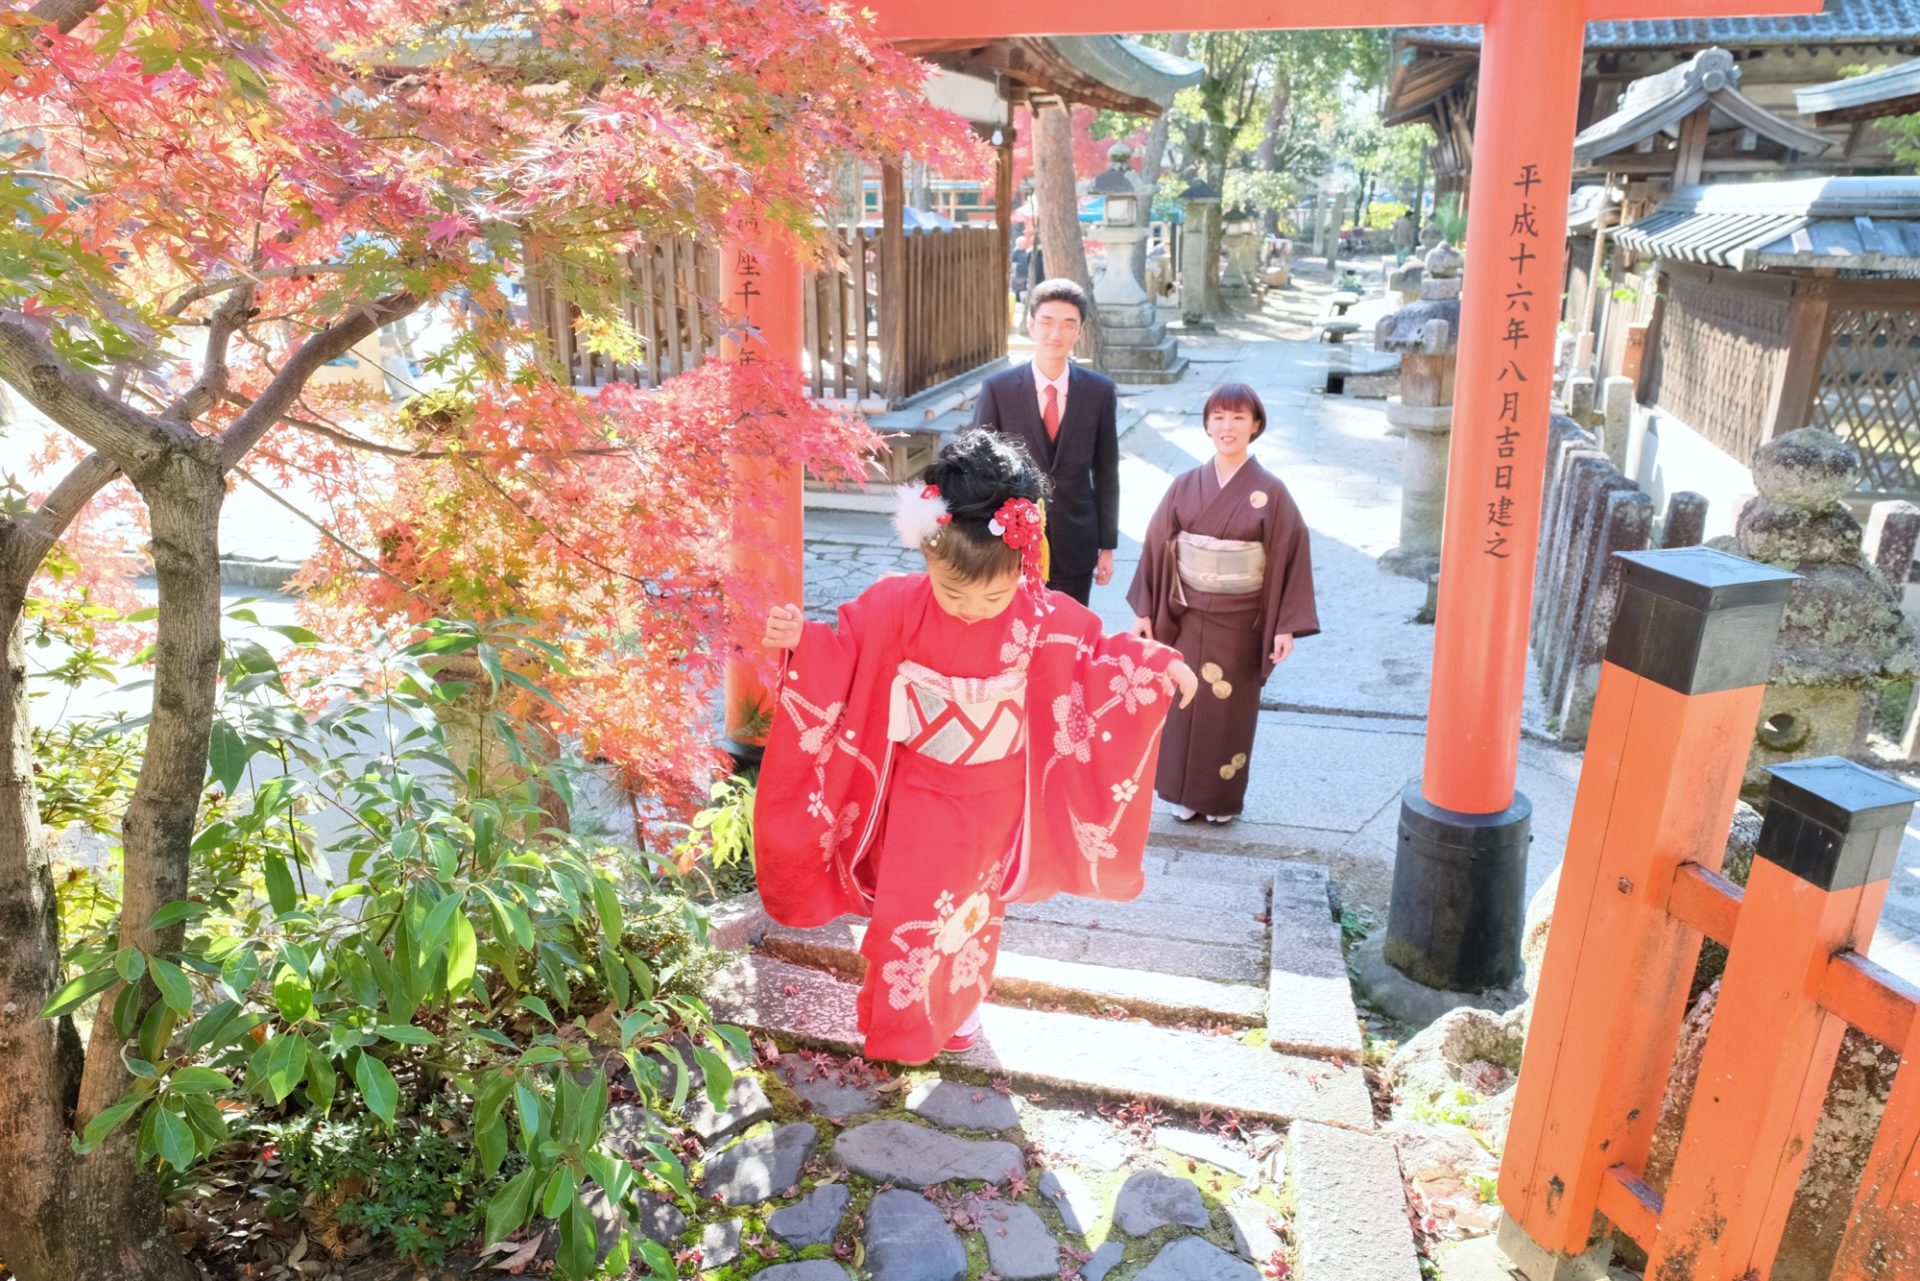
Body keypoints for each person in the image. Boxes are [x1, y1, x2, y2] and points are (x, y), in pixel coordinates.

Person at [755, 431, 1198, 1064]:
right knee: (909, 909)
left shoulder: (1039, 613)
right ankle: (900, 1027)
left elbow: (1096, 659)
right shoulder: (896, 604)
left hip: (994, 798)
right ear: (927, 557)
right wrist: (803, 639)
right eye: (953, 591)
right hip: (920, 791)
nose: (972, 609)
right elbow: (842, 653)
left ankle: (960, 1009)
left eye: (992, 595)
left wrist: (1156, 668)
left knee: (972, 911)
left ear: (1024, 565)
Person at [1126, 384, 1317, 825]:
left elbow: (1292, 554)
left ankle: (1220, 798)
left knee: (1230, 709)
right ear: (1207, 425)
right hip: (1187, 615)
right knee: (1184, 701)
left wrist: (1285, 624)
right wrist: (1145, 610)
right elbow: (1157, 546)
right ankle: (1181, 792)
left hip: (1242, 622)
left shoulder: (1272, 491)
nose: (1227, 427)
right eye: (1219, 417)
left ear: (1256, 425)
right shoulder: (1185, 484)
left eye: (1238, 417)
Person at [970, 279, 1117, 605]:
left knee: (1067, 638)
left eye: (1068, 325)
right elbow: (979, 469)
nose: (1056, 334)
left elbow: (1106, 472)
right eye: (1047, 322)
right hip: (1011, 544)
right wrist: (980, 538)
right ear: (1031, 325)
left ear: (1079, 331)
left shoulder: (1099, 392)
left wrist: (1107, 545)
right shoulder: (999, 389)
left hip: (1076, 542)